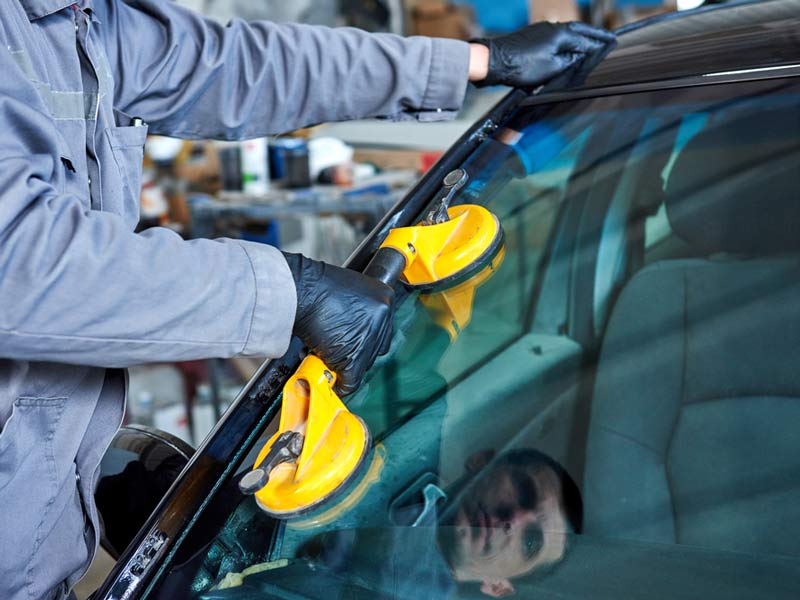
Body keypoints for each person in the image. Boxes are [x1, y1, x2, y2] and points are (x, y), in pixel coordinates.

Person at [0, 2, 613, 598]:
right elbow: (16, 262)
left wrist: (474, 62)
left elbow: (230, 65)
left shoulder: (85, 20)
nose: (511, 520)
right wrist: (290, 290)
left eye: (527, 541)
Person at [214, 448, 582, 599]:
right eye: (523, 490)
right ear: (483, 459)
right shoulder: (404, 445)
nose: (513, 520)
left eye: (531, 540)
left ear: (499, 587)